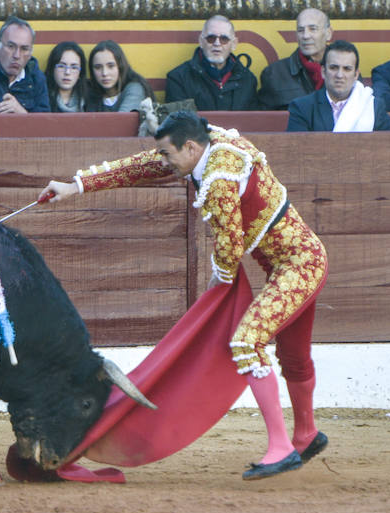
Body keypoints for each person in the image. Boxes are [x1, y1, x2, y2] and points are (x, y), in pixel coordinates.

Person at [39, 111, 329, 480]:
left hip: (300, 266)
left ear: (190, 147)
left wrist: (220, 283)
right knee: (293, 354)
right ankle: (305, 434)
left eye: (168, 154)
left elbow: (229, 246)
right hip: (292, 263)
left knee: (246, 341)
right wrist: (76, 186)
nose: (163, 161)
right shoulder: (208, 141)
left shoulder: (220, 177)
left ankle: (282, 446)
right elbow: (146, 164)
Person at [287, 40, 390, 131]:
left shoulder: (373, 106)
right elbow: (296, 151)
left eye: (347, 69)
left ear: (356, 75)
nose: (340, 75)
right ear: (323, 72)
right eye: (334, 68)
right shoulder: (302, 107)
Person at [165, 15, 258, 110]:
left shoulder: (248, 80)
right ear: (201, 41)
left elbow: (253, 121)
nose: (217, 44)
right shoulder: (178, 78)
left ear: (234, 44)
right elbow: (178, 122)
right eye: (211, 38)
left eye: (224, 39)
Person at [258, 8, 333, 110]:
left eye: (313, 29)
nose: (305, 36)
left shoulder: (345, 70)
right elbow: (263, 120)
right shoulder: (274, 74)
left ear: (328, 33)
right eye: (301, 30)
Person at [85, 40, 154, 113]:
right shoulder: (89, 92)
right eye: (98, 67)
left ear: (120, 66)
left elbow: (122, 121)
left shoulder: (135, 88)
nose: (104, 73)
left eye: (111, 66)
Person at [45, 41, 87, 112]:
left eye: (74, 67)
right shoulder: (42, 98)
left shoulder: (89, 99)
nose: (67, 72)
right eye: (61, 66)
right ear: (52, 69)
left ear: (80, 72)